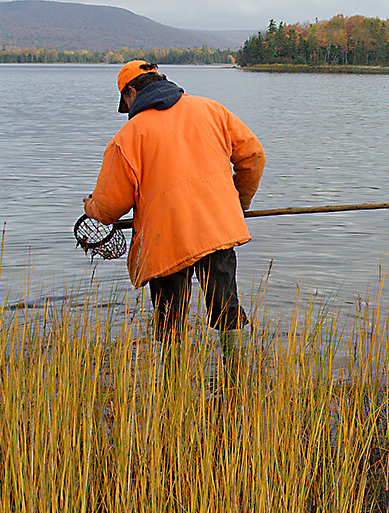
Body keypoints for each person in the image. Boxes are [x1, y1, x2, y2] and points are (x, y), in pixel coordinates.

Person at [85, 61, 265, 351]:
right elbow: (254, 157)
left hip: (164, 237)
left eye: (125, 101)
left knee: (171, 321)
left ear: (131, 92)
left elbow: (108, 209)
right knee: (226, 309)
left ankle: (172, 389)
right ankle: (236, 383)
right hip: (217, 228)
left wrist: (91, 206)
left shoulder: (126, 137)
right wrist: (238, 202)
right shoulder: (211, 109)